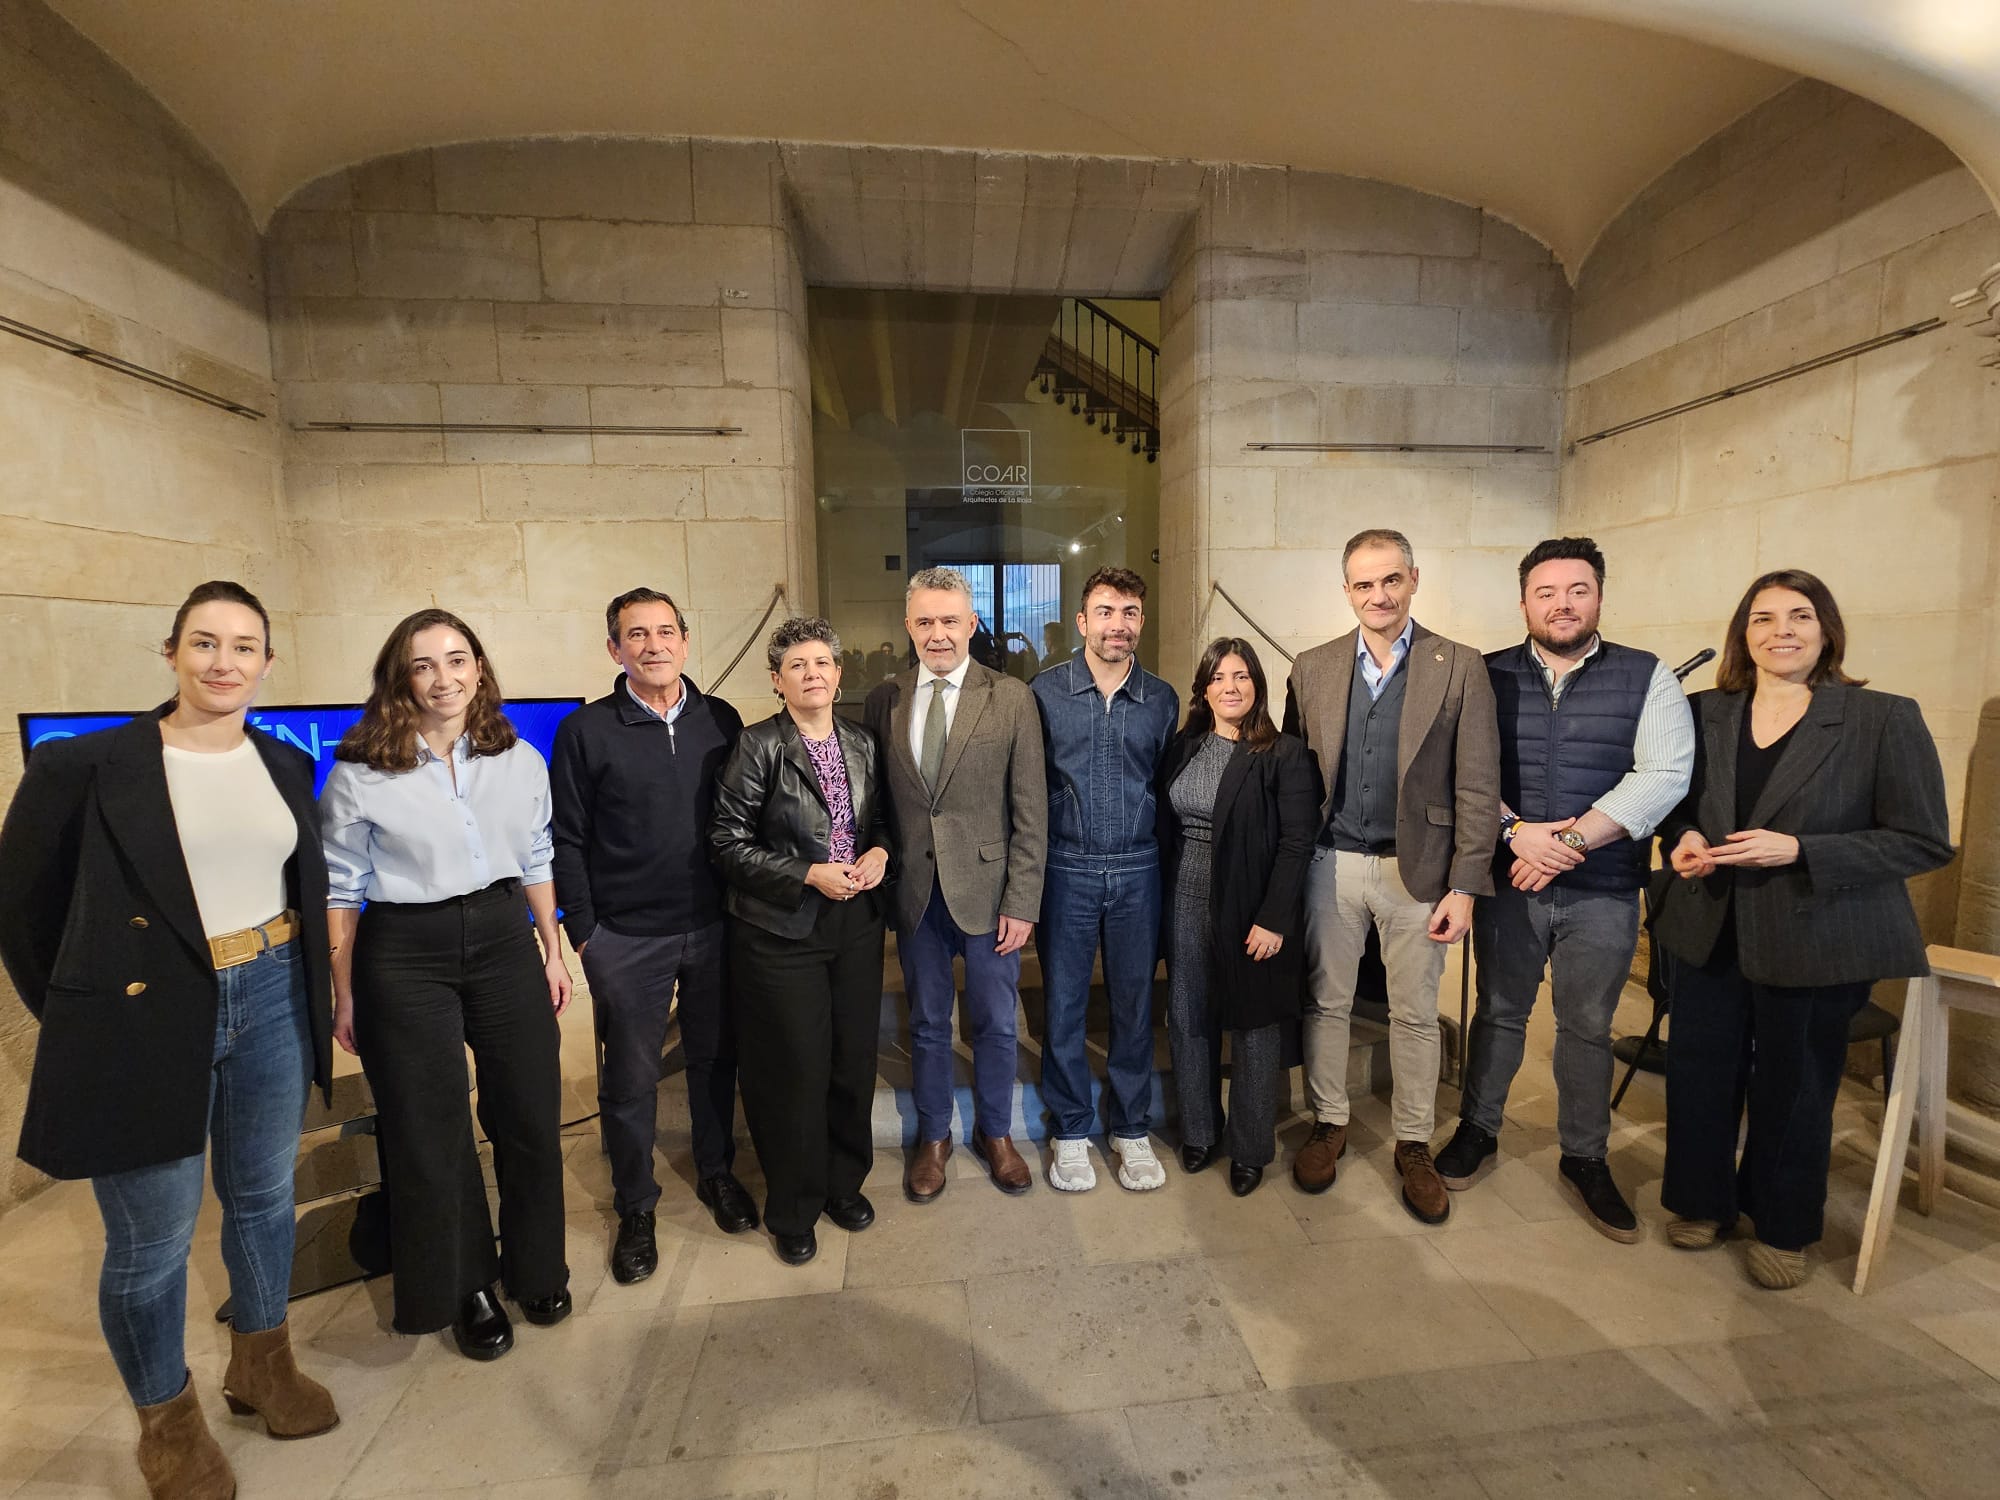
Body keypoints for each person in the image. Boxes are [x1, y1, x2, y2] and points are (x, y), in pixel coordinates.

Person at [0, 581, 338, 1499]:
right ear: (172, 653)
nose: (224, 662)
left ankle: (263, 1365)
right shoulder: (85, 765)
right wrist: (89, 1014)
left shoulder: (282, 763)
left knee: (264, 1196)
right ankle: (168, 1427)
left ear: (266, 663)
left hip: (271, 991)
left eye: (243, 647)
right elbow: (23, 912)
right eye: (205, 643)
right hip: (147, 1011)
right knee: (151, 1240)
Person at [1654, 570, 1951, 1288]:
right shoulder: (1704, 713)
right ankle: (1701, 1201)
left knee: (1796, 1086)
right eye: (1763, 618)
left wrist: (1801, 849)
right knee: (1699, 1071)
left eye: (1799, 616)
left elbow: (1921, 840)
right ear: (1743, 633)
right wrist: (1683, 838)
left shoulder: (1882, 718)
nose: (1781, 631)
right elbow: (1674, 802)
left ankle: (1782, 1226)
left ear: (1826, 631)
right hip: (1710, 923)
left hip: (1817, 930)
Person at [321, 609, 572, 1361]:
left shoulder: (518, 759)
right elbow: (341, 887)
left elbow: (537, 855)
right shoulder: (360, 771)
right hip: (404, 950)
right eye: (423, 664)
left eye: (457, 659)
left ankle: (537, 1268)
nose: (443, 678)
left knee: (529, 1112)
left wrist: (552, 951)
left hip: (503, 938)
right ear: (400, 677)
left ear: (479, 669)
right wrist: (344, 990)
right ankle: (467, 1287)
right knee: (431, 1131)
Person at [1433, 537, 1694, 1241]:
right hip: (1511, 879)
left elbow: (1664, 775)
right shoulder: (1485, 675)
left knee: (1587, 1025)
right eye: (1545, 592)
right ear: (1523, 603)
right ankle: (1478, 1128)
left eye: (1578, 590)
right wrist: (1516, 832)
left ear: (1599, 596)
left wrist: (1570, 843)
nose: (1562, 604)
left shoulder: (1647, 676)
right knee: (1499, 1011)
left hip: (1603, 887)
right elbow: (1459, 769)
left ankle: (1585, 1156)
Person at [1282, 529, 1499, 1223]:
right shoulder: (1312, 667)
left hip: (1420, 874)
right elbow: (1294, 777)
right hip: (1331, 865)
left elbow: (1478, 785)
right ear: (1346, 591)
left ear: (1413, 579)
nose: (1379, 595)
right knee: (1327, 1002)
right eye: (1364, 584)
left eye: (1390, 580)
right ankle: (1329, 1121)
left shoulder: (1459, 665)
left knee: (1413, 1011)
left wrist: (1465, 885)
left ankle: (1412, 1141)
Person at [551, 588, 753, 1286]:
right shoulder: (586, 731)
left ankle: (718, 1172)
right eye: (636, 634)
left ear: (685, 642)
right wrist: (586, 933)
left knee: (713, 1061)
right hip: (626, 937)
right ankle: (636, 1206)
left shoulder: (721, 720)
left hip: (714, 926)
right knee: (631, 1080)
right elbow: (566, 838)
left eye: (666, 631)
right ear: (615, 649)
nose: (654, 645)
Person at [710, 617, 893, 1265]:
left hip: (855, 925)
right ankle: (792, 1205)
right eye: (798, 665)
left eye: (822, 663)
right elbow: (726, 844)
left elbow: (880, 823)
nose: (812, 674)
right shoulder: (758, 745)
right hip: (780, 931)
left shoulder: (863, 741)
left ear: (839, 675)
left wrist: (879, 853)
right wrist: (807, 873)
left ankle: (843, 1184)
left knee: (851, 1063)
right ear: (776, 680)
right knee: (793, 1071)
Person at [864, 568, 1047, 1202]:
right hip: (917, 894)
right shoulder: (885, 699)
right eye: (925, 622)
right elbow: (880, 800)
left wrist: (1023, 900)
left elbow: (1031, 810)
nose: (937, 634)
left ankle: (997, 1133)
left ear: (971, 624)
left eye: (949, 620)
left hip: (992, 895)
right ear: (908, 626)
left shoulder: (1011, 698)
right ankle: (935, 1138)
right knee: (927, 1024)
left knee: (996, 1023)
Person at [1031, 567, 1180, 1192]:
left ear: (1141, 621)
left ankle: (1130, 1128)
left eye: (1129, 613)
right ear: (1082, 620)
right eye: (1105, 611)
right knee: (1064, 1006)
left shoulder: (1162, 699)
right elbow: (1030, 789)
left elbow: (1166, 789)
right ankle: (1070, 1129)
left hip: (1139, 868)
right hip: (1066, 867)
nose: (1118, 624)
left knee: (1134, 1006)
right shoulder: (1045, 693)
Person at [1157, 638, 1320, 1196]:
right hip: (1185, 897)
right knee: (1188, 1014)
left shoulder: (1282, 753)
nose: (1230, 687)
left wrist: (1274, 918)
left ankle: (1250, 1148)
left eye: (1242, 676)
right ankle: (1200, 1131)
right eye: (1219, 677)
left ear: (1258, 685)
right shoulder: (1184, 747)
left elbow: (1297, 842)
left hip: (1252, 903)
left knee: (1254, 1026)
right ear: (1203, 690)